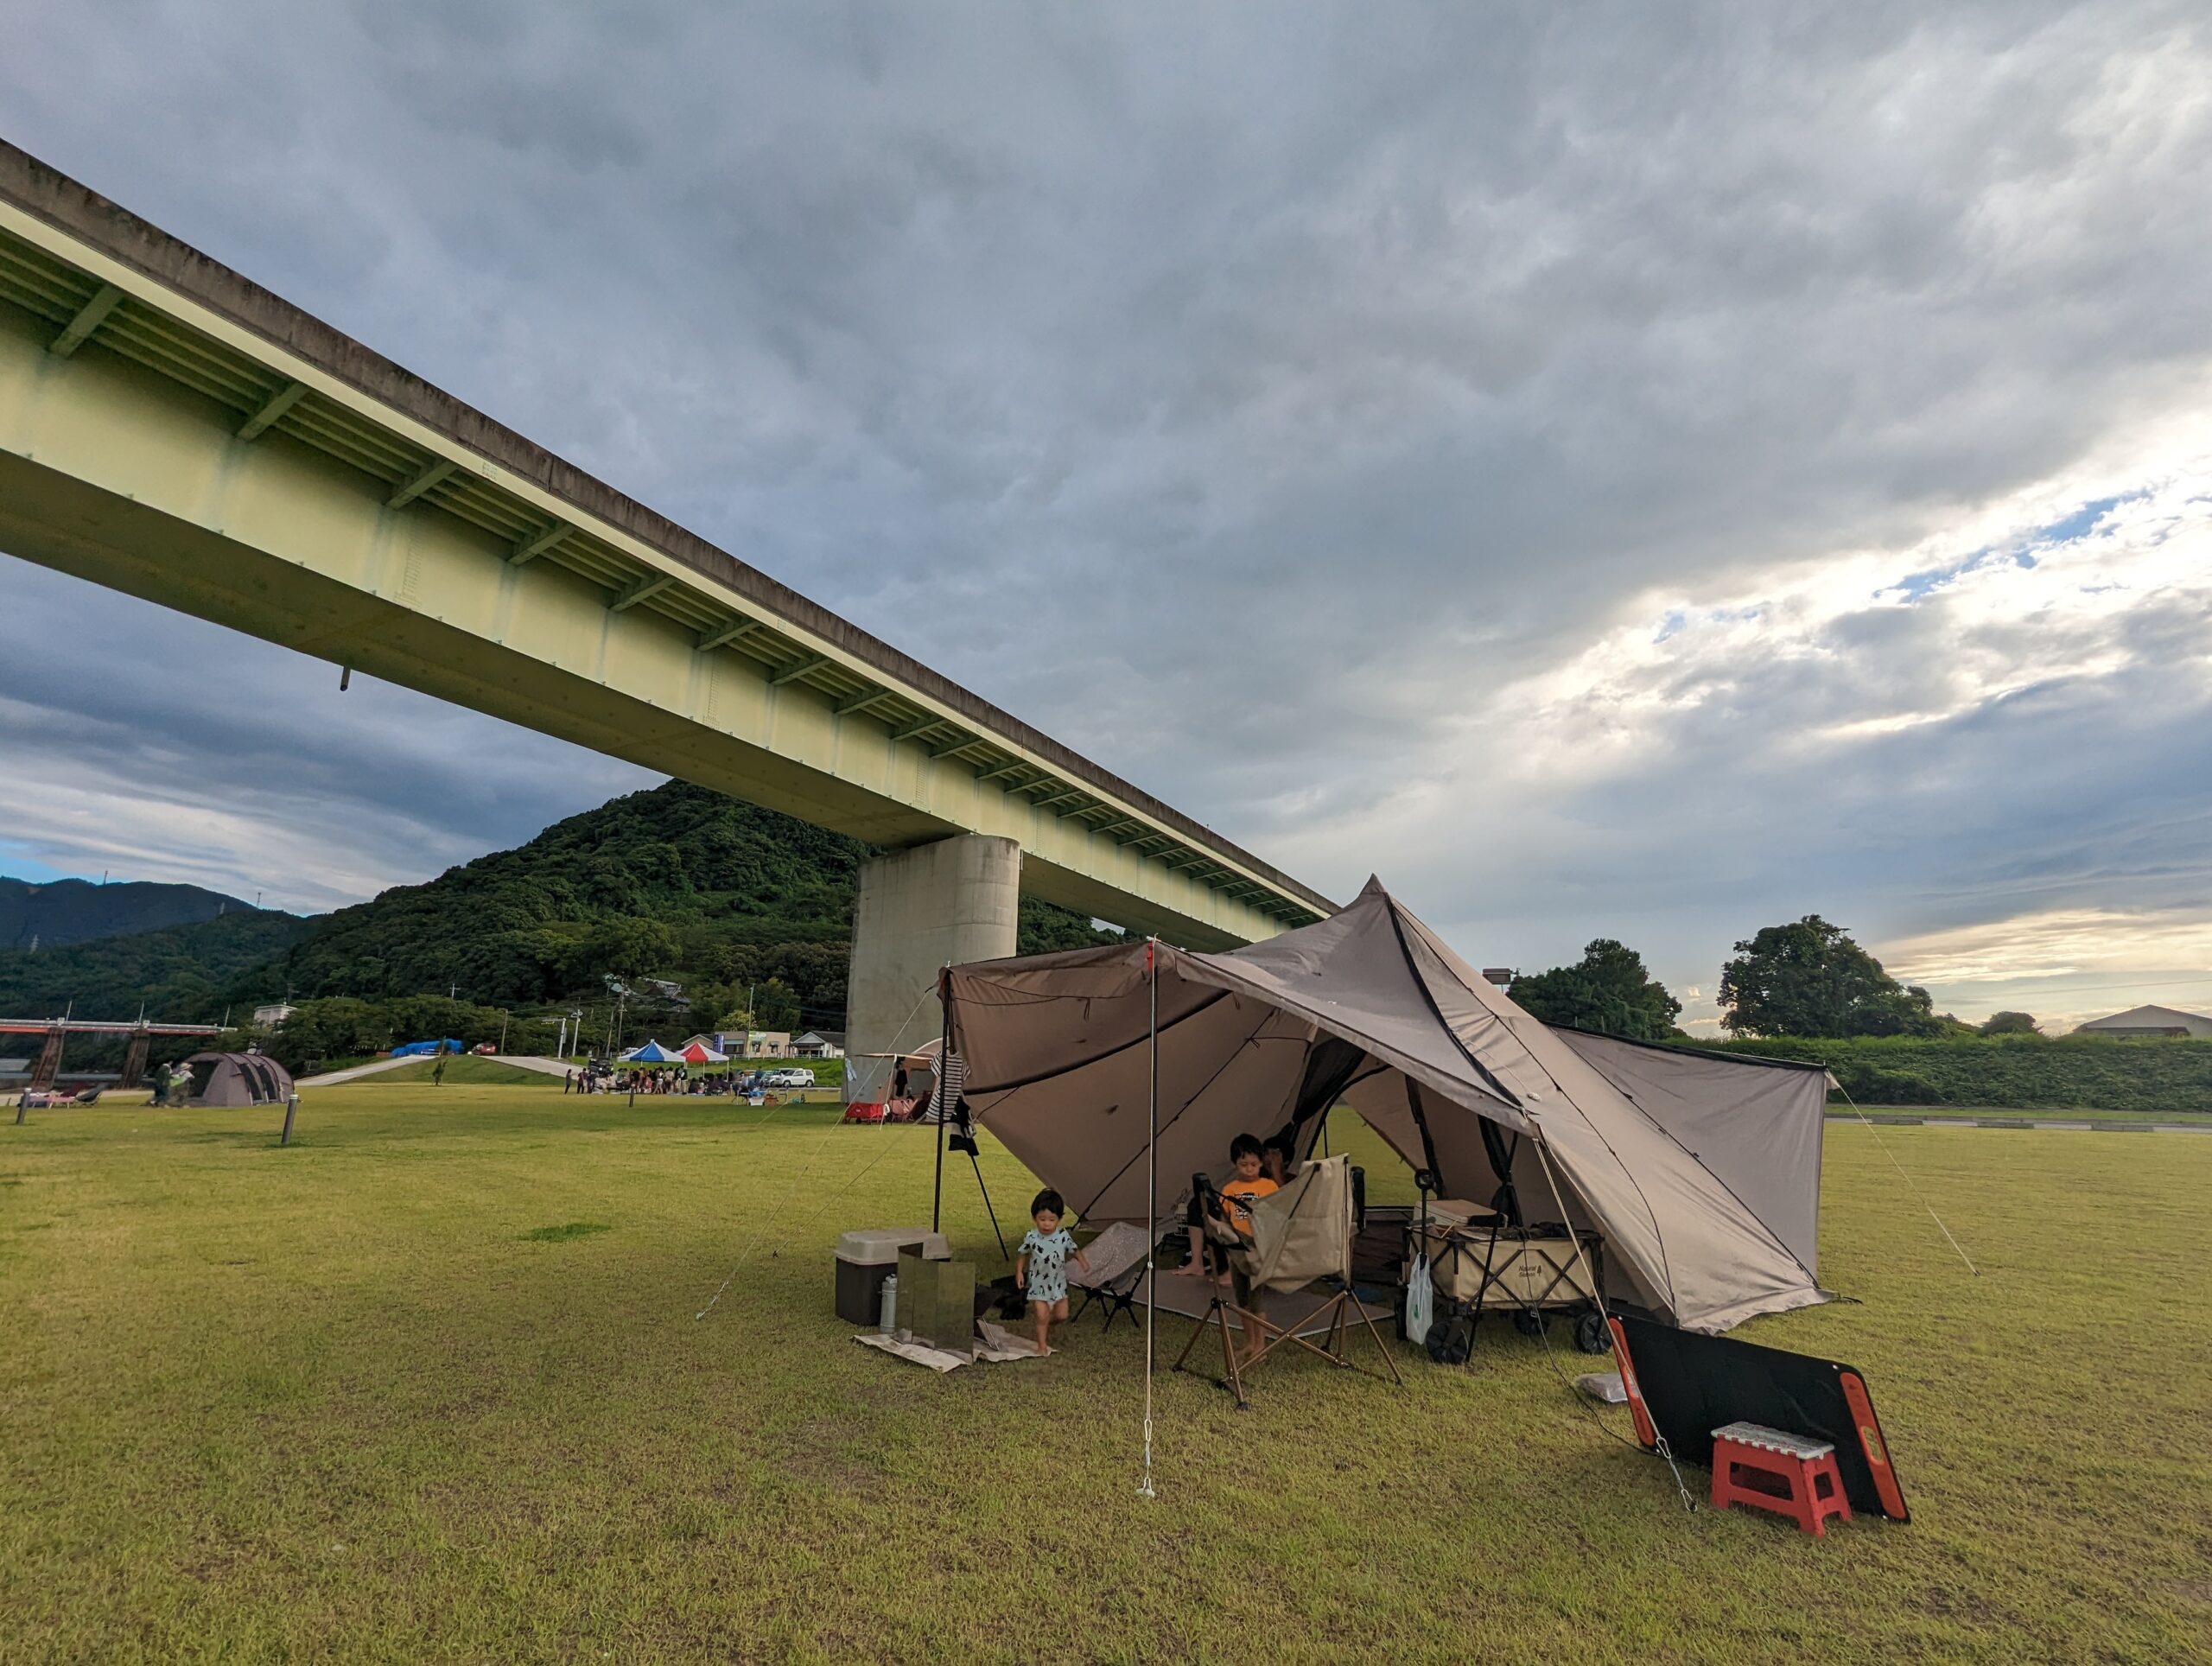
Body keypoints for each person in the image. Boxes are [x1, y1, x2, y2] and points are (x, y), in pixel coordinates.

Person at [1015, 1189, 1089, 1356]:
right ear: (1034, 1218)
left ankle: (1047, 1323)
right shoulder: (1032, 1237)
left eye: (1051, 1220)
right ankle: (1041, 1345)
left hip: (1058, 1284)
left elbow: (1074, 1250)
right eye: (1042, 1219)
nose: (1047, 1224)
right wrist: (1019, 1272)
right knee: (1041, 1315)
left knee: (1062, 1315)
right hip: (1038, 1284)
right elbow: (1022, 1255)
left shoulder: (1063, 1236)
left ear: (1059, 1219)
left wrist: (1082, 1261)